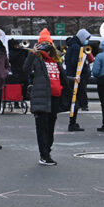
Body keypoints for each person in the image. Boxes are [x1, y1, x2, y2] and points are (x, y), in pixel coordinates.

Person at [23, 30, 67, 165]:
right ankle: (44, 155)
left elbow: (61, 77)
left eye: (48, 43)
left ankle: (47, 151)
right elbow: (25, 69)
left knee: (50, 128)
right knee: (42, 128)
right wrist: (33, 53)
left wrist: (73, 79)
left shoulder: (56, 59)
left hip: (54, 98)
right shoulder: (36, 59)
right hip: (42, 97)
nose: (45, 46)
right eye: (42, 43)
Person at [64, 28, 90, 131]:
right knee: (75, 101)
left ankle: (73, 122)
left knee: (75, 101)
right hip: (76, 78)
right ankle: (72, 123)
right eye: (86, 38)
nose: (87, 40)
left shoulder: (72, 46)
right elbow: (76, 63)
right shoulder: (76, 47)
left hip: (73, 76)